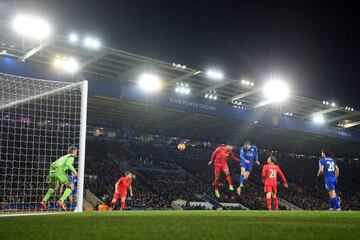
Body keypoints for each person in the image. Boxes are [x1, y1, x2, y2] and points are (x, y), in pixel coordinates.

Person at [40, 146, 78, 211]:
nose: (76, 153)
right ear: (74, 152)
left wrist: (50, 175)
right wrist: (75, 172)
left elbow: (53, 164)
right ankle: (61, 201)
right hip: (59, 172)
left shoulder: (63, 157)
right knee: (71, 186)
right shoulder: (71, 157)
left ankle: (44, 201)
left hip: (52, 171)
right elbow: (68, 164)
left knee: (54, 187)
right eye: (76, 152)